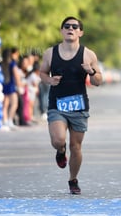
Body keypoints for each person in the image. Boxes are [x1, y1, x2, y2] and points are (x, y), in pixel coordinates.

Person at [39, 16, 103, 195]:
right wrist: (50, 80)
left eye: (75, 27)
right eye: (67, 26)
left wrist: (91, 72)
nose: (71, 29)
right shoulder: (50, 53)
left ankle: (73, 179)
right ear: (61, 31)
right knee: (58, 139)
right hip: (57, 104)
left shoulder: (88, 54)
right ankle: (60, 150)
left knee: (76, 146)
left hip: (79, 106)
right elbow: (42, 73)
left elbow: (98, 81)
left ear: (80, 32)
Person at [1, 47, 22, 130]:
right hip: (11, 85)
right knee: (14, 103)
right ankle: (10, 120)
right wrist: (19, 85)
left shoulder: (2, 63)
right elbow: (16, 75)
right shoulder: (12, 63)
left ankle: (5, 120)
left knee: (5, 104)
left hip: (4, 84)